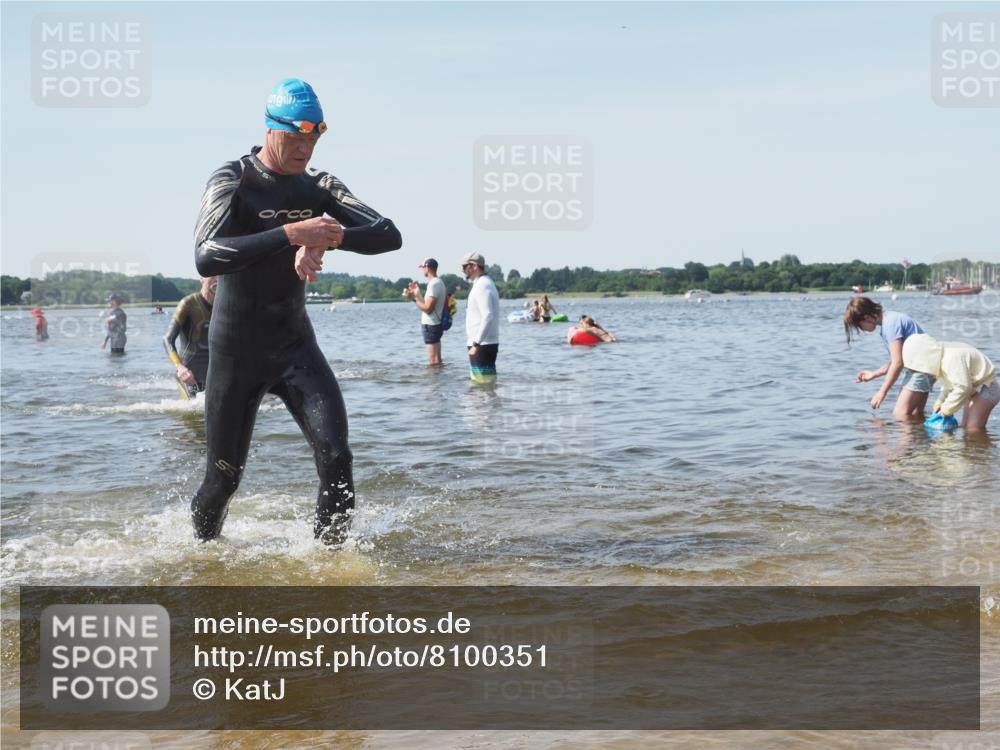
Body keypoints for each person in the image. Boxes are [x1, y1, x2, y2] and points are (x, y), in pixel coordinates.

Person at [189, 78, 402, 544]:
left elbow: (388, 234)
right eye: (297, 137)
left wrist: (329, 236)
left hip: (294, 347)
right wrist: (292, 235)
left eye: (315, 138)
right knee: (223, 480)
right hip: (235, 353)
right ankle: (202, 560)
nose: (306, 148)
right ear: (271, 129)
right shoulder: (233, 179)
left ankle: (329, 566)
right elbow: (207, 254)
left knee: (337, 458)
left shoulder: (320, 186)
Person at [844, 297, 931, 418]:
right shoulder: (890, 320)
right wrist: (873, 374)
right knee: (915, 416)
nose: (862, 330)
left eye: (860, 326)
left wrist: (882, 392)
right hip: (926, 368)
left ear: (867, 317)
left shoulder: (890, 325)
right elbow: (896, 360)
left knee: (900, 416)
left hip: (920, 370)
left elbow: (898, 363)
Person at [902, 334, 998, 432]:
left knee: (972, 428)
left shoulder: (950, 358)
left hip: (987, 387)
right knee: (965, 427)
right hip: (972, 390)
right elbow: (949, 386)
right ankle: (976, 445)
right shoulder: (940, 356)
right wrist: (940, 402)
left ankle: (981, 445)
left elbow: (963, 387)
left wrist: (946, 410)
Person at [163, 276, 217, 398]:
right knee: (193, 412)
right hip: (189, 376)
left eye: (221, 276)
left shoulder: (225, 305)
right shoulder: (188, 304)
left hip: (215, 375)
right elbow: (167, 339)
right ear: (202, 279)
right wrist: (179, 367)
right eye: (212, 276)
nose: (217, 280)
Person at [461, 252, 499, 383]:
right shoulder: (483, 283)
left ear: (475, 266)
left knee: (482, 385)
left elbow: (488, 316)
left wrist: (476, 343)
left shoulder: (482, 285)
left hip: (482, 344)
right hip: (482, 343)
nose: (463, 270)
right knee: (483, 385)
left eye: (465, 266)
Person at [403, 258, 446, 365]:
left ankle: (433, 381)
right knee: (437, 359)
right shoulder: (438, 282)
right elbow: (427, 305)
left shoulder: (434, 284)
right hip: (435, 324)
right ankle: (438, 380)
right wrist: (417, 294)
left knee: (433, 361)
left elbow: (428, 309)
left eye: (423, 268)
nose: (422, 270)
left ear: (427, 267)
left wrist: (412, 298)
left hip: (431, 325)